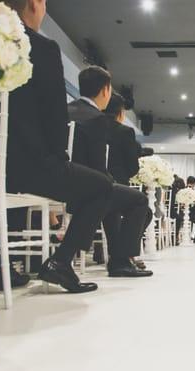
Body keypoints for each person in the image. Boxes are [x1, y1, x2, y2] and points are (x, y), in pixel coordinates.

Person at [0, 0, 109, 294]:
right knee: (101, 187)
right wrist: (59, 159)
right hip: (23, 164)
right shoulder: (40, 47)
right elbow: (54, 117)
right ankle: (60, 264)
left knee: (20, 188)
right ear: (35, 4)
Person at [68, 66, 152, 278]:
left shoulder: (64, 110)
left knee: (111, 192)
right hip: (87, 184)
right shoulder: (97, 119)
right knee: (135, 199)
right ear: (105, 90)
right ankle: (121, 260)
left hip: (61, 180)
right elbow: (99, 167)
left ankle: (117, 259)